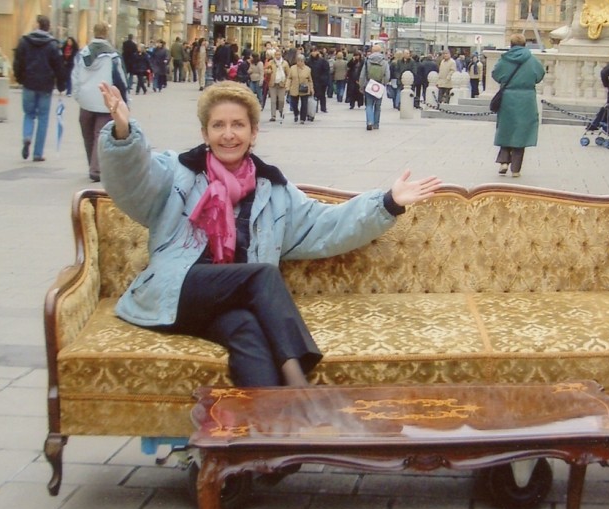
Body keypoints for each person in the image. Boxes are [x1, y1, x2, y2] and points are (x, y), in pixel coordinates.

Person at [96, 80, 442, 387]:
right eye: (218, 125)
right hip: (175, 291)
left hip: (223, 304)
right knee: (261, 275)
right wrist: (124, 134)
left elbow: (326, 226)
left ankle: (267, 444)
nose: (228, 134)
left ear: (254, 132)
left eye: (237, 125)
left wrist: (388, 202)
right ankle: (298, 383)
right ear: (205, 133)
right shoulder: (178, 172)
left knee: (248, 332)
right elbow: (133, 184)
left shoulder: (274, 191)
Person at [72, 22, 128, 182]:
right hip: (105, 100)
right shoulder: (113, 55)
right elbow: (121, 80)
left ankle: (92, 163)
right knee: (100, 135)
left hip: (86, 101)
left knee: (88, 134)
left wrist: (79, 96)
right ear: (107, 33)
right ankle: (96, 169)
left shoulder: (82, 54)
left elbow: (74, 77)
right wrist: (124, 102)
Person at [13, 15, 66, 162]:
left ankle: (27, 136)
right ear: (48, 27)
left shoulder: (24, 41)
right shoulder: (52, 45)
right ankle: (38, 153)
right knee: (43, 118)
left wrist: (19, 78)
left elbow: (18, 62)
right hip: (45, 85)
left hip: (28, 83)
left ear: (37, 25)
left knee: (29, 114)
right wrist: (61, 84)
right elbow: (59, 66)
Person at [491, 33, 545, 177]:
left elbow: (496, 74)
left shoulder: (504, 59)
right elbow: (540, 75)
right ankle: (516, 169)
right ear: (525, 44)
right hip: (526, 98)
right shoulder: (533, 60)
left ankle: (503, 161)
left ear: (511, 44)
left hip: (508, 97)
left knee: (506, 129)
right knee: (522, 132)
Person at [359, 44, 389, 131]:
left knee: (368, 105)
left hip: (369, 84)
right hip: (379, 85)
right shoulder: (384, 61)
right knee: (377, 106)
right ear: (380, 51)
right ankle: (376, 124)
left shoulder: (367, 60)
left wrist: (361, 85)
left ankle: (369, 122)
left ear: (372, 51)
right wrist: (384, 83)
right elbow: (387, 75)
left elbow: (362, 74)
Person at [287, 54, 314, 124]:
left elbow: (310, 80)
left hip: (304, 88)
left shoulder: (308, 69)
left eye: (301, 61)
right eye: (298, 61)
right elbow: (289, 78)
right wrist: (287, 87)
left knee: (304, 104)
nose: (299, 62)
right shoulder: (292, 68)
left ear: (304, 61)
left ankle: (302, 118)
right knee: (293, 104)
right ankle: (296, 113)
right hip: (294, 88)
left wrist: (311, 89)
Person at [265, 49, 290, 122]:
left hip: (281, 84)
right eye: (276, 55)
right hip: (273, 84)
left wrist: (287, 83)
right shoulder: (271, 62)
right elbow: (265, 70)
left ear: (281, 55)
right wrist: (268, 71)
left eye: (279, 55)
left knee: (281, 100)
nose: (278, 56)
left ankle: (281, 110)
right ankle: (273, 116)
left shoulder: (285, 63)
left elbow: (288, 74)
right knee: (273, 101)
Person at [308, 48, 330, 114]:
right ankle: (314, 108)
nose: (314, 53)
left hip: (321, 82)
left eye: (315, 51)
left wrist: (324, 79)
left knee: (322, 95)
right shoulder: (308, 61)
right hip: (312, 81)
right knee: (313, 95)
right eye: (312, 51)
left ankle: (323, 108)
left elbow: (326, 71)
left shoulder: (323, 61)